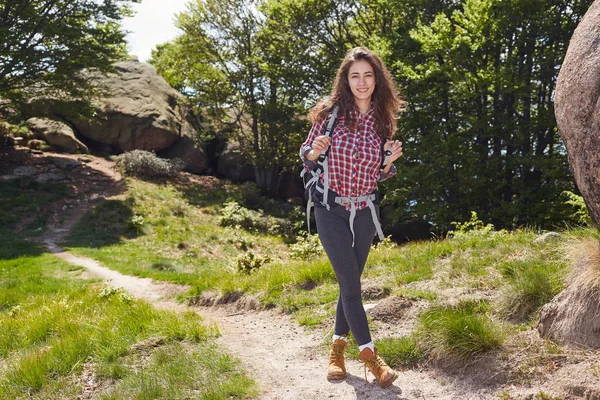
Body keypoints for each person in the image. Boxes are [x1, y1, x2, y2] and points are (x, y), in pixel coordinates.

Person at [299, 47, 406, 388]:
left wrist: (388, 162)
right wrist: (314, 152)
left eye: (368, 75)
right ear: (345, 80)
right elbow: (307, 154)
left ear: (377, 79)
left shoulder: (382, 119)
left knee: (350, 285)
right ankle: (373, 360)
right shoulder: (329, 114)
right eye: (355, 75)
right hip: (330, 209)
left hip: (363, 211)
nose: (362, 82)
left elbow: (378, 175)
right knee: (352, 286)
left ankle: (336, 350)